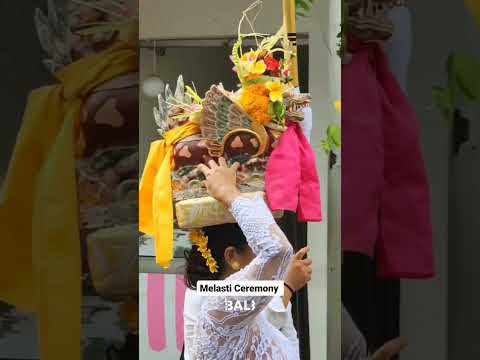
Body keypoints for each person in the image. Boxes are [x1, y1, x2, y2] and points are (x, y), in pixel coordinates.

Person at [182, 157, 301, 359]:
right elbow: (278, 251)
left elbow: (289, 338)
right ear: (232, 256)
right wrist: (228, 193)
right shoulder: (218, 304)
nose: (263, 248)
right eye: (257, 245)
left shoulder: (237, 299)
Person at [183, 244, 312, 360]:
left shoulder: (264, 284)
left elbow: (288, 336)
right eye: (260, 252)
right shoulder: (207, 291)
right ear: (232, 256)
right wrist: (288, 286)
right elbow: (257, 333)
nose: (267, 260)